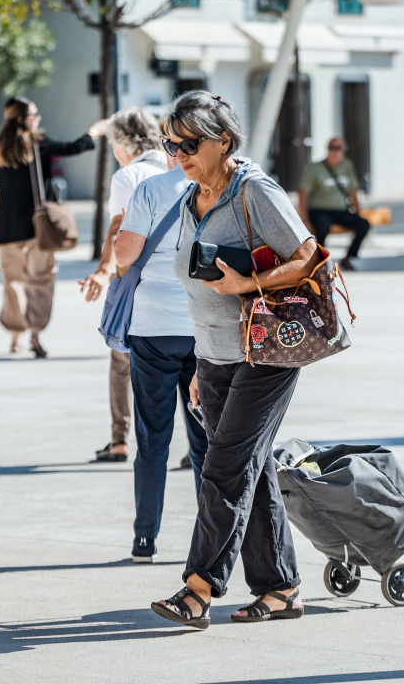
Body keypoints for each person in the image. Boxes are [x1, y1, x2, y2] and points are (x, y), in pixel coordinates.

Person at [151, 91, 317, 629]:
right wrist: (200, 363)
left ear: (223, 140)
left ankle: (199, 588)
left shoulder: (254, 191)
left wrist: (248, 282)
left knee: (223, 469)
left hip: (266, 353)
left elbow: (307, 256)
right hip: (216, 357)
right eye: (170, 144)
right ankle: (280, 588)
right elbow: (197, 291)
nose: (179, 154)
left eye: (189, 143)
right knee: (253, 469)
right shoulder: (188, 200)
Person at [81, 108, 208, 563]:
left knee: (153, 438)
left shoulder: (150, 188)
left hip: (153, 329)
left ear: (171, 148)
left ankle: (144, 539)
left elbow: (124, 257)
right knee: (205, 440)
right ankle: (209, 537)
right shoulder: (220, 189)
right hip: (204, 330)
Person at [0, 96, 106, 357]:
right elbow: (74, 147)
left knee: (12, 282)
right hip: (39, 228)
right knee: (40, 281)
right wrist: (96, 131)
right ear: (21, 118)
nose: (38, 119)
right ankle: (35, 333)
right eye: (33, 115)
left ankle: (15, 337)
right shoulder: (38, 144)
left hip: (8, 228)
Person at [297, 137, 369, 270]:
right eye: (333, 148)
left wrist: (358, 213)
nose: (336, 152)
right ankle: (319, 261)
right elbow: (303, 193)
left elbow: (353, 191)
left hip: (340, 210)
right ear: (328, 149)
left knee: (363, 225)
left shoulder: (347, 165)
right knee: (323, 227)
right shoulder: (315, 168)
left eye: (339, 148)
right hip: (319, 210)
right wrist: (304, 218)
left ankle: (348, 257)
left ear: (344, 150)